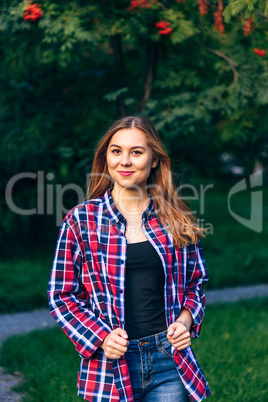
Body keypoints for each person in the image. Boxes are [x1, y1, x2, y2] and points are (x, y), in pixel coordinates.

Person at [48, 116, 211, 402]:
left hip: (168, 361)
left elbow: (195, 285)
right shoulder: (81, 220)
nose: (125, 161)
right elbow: (61, 295)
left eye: (136, 152)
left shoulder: (176, 220)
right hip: (110, 366)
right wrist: (99, 337)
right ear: (106, 157)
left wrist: (185, 322)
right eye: (116, 151)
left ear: (155, 160)